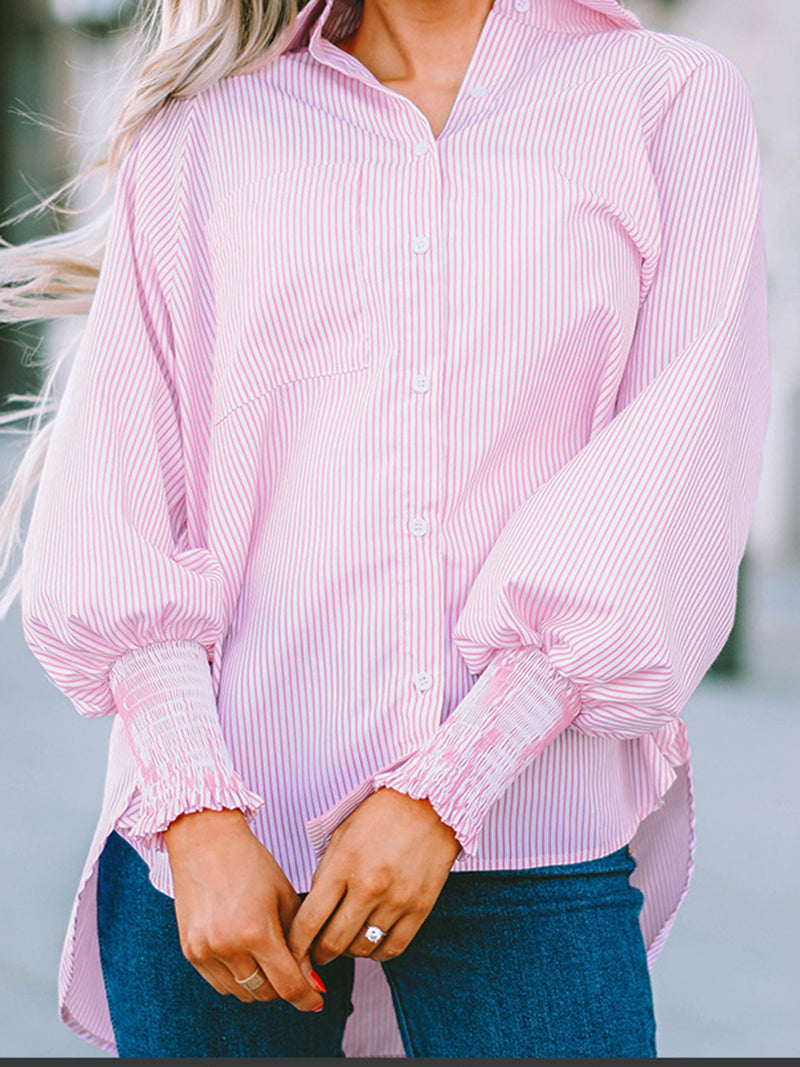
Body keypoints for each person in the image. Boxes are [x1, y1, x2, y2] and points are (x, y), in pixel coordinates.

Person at [0, 0, 771, 1057]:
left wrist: (443, 790)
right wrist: (195, 810)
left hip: (524, 845)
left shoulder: (663, 100)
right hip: (220, 866)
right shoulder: (204, 129)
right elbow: (120, 498)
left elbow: (674, 466)